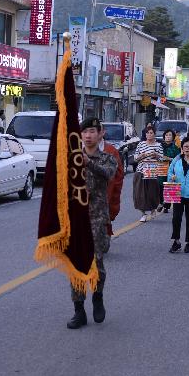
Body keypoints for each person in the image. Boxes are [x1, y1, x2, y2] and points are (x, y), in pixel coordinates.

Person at [67, 117, 117, 329]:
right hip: (76, 217)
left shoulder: (108, 158)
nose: (88, 136)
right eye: (84, 132)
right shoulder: (72, 158)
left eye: (91, 131)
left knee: (96, 262)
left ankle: (97, 297)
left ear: (100, 134)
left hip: (97, 218)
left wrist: (90, 164)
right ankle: (79, 310)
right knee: (77, 264)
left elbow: (109, 174)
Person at [133, 126, 163, 222]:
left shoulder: (158, 145)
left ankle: (153, 209)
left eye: (151, 133)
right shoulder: (141, 144)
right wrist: (141, 156)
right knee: (139, 193)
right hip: (140, 170)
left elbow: (162, 159)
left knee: (152, 192)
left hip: (152, 170)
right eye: (147, 133)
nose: (149, 135)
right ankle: (143, 214)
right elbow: (135, 158)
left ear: (154, 134)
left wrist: (156, 155)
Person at [100, 122, 125, 235]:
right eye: (86, 131)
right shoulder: (80, 149)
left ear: (102, 132)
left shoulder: (111, 150)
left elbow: (118, 175)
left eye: (94, 131)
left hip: (105, 194)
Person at [157, 129, 180, 213]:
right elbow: (156, 156)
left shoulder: (176, 148)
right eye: (166, 135)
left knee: (169, 186)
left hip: (171, 169)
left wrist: (169, 159)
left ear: (173, 137)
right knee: (160, 186)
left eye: (170, 135)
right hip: (161, 168)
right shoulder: (159, 146)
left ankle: (166, 206)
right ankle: (161, 202)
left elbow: (178, 159)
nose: (168, 137)